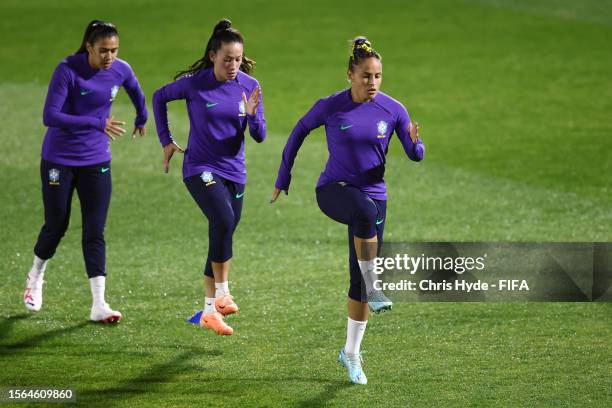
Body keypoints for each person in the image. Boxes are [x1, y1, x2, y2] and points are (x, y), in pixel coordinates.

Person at [271, 37, 424, 384]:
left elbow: (415, 153)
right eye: (367, 76)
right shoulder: (331, 106)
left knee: (356, 277)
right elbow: (298, 132)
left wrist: (417, 146)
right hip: (333, 190)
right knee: (364, 215)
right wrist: (284, 176)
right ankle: (375, 285)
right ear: (350, 75)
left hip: (374, 196)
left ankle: (351, 354)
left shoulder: (393, 109)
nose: (373, 83)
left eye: (378, 76)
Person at [23, 20, 148, 323]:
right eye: (103, 50)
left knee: (95, 230)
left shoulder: (120, 68)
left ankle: (99, 304)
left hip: (96, 160)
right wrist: (95, 122)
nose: (109, 57)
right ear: (89, 47)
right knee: (57, 224)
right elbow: (49, 116)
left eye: (114, 50)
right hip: (59, 160)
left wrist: (142, 116)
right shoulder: (67, 70)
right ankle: (35, 277)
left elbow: (134, 88)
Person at [152, 19, 265, 336]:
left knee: (223, 231)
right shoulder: (194, 83)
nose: (233, 65)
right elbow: (159, 97)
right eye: (227, 58)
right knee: (223, 220)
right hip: (199, 166)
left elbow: (259, 136)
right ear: (213, 55)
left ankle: (208, 312)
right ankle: (223, 293)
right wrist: (166, 139)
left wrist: (253, 117)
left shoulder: (248, 86)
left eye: (238, 59)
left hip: (235, 171)